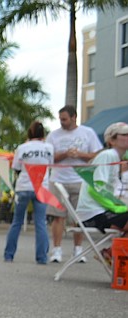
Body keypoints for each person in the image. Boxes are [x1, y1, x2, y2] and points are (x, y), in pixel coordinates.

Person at [45, 105, 103, 263]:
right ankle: (57, 250)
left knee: (79, 217)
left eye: (64, 119)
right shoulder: (53, 135)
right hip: (58, 180)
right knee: (58, 217)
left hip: (80, 180)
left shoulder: (87, 132)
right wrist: (65, 154)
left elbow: (97, 155)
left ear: (74, 117)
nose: (62, 122)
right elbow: (49, 158)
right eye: (60, 119)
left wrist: (79, 154)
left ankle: (78, 249)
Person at [75, 122, 128, 261]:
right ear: (112, 140)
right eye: (124, 134)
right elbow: (96, 189)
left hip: (99, 210)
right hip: (92, 213)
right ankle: (111, 253)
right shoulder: (108, 155)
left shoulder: (116, 157)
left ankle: (111, 253)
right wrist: (118, 207)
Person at [4, 120, 52, 264]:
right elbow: (51, 164)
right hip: (41, 187)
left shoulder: (22, 148)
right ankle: (41, 257)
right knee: (41, 223)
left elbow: (16, 168)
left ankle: (9, 255)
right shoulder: (49, 148)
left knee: (17, 222)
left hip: (24, 186)